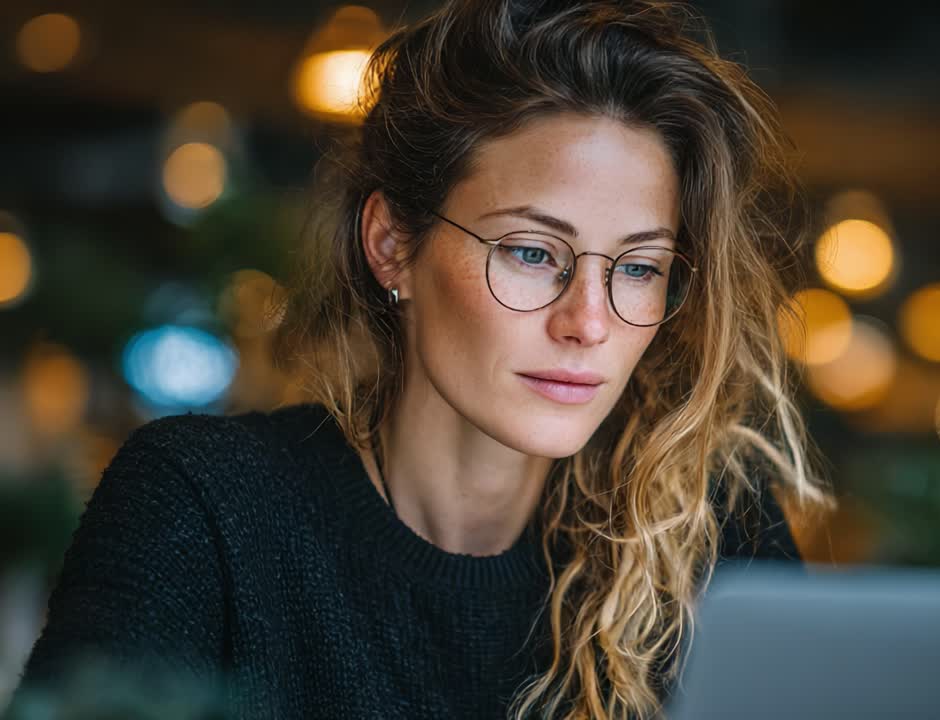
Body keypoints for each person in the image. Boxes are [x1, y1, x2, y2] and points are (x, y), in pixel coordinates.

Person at [11, 0, 829, 718]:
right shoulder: (204, 506)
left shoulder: (712, 530)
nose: (588, 322)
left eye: (640, 267)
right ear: (392, 244)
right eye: (532, 253)